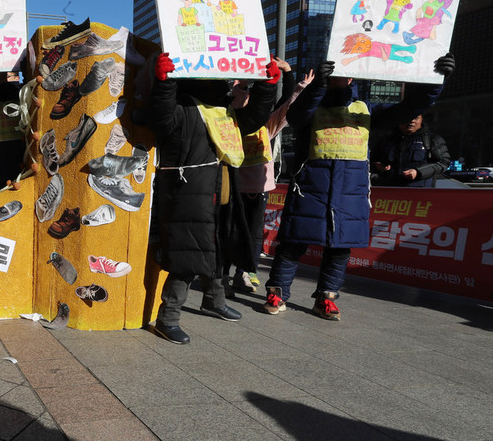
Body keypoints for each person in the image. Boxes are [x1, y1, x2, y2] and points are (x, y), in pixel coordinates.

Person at [264, 55, 454, 320]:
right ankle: (277, 292)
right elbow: (296, 116)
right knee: (293, 243)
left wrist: (435, 80)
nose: (338, 76)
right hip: (309, 189)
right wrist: (318, 85)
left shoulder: (367, 110)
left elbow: (410, 107)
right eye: (333, 73)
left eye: (343, 73)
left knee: (340, 247)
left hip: (350, 193)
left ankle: (327, 298)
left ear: (352, 77)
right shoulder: (312, 104)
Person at [149, 53, 279, 345]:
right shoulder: (184, 106)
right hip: (188, 196)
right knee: (187, 258)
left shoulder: (223, 111)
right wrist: (165, 82)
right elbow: (161, 117)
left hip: (220, 194)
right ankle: (167, 319)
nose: (224, 84)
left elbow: (253, 118)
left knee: (219, 249)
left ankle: (213, 300)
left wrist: (267, 86)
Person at [227, 60, 313, 294]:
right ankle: (221, 274)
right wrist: (241, 85)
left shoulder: (266, 126)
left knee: (254, 234)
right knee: (228, 231)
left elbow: (286, 109)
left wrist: (299, 88)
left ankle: (246, 272)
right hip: (231, 187)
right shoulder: (229, 123)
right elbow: (235, 101)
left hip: (258, 188)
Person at [372, 114, 450, 187]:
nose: (411, 121)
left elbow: (443, 162)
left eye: (416, 117)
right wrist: (379, 167)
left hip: (420, 196)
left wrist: (418, 172)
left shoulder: (432, 140)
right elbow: (369, 164)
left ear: (421, 119)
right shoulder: (385, 140)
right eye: (407, 117)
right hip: (390, 196)